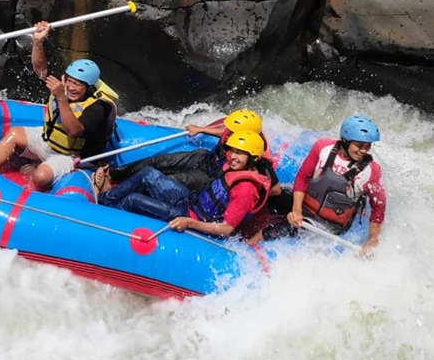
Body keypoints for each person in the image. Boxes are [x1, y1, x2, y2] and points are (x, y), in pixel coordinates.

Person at [0, 20, 117, 192]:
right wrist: (37, 41)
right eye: (69, 82)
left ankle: (38, 181)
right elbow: (41, 69)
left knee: (41, 177)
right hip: (48, 141)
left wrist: (61, 98)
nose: (71, 87)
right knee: (14, 134)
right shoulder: (63, 83)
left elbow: (74, 131)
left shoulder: (98, 108)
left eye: (77, 84)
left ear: (89, 87)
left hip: (70, 155)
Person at [94, 131, 271, 238]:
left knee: (133, 199)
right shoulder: (236, 167)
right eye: (232, 151)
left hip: (191, 217)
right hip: (188, 201)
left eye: (240, 154)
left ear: (254, 158)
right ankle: (105, 199)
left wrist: (189, 223)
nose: (232, 156)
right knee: (148, 174)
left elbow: (226, 228)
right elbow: (226, 132)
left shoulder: (246, 189)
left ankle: (98, 217)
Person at [254, 115, 386, 257]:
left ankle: (250, 243)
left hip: (327, 224)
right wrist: (296, 210)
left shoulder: (371, 171)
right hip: (304, 208)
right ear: (345, 141)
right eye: (359, 145)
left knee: (274, 231)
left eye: (367, 146)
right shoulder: (322, 147)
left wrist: (372, 239)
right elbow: (303, 177)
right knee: (268, 197)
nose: (364, 150)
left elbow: (379, 205)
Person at [108, 109, 283, 198]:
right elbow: (225, 130)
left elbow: (275, 190)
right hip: (204, 157)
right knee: (158, 161)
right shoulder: (235, 132)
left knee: (168, 181)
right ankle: (112, 176)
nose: (228, 132)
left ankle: (115, 195)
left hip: (210, 178)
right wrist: (202, 129)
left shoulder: (258, 157)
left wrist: (238, 185)